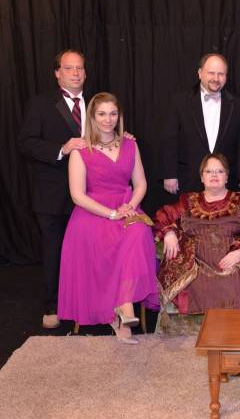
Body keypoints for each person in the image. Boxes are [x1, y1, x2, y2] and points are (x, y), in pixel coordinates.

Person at [57, 92, 159, 344]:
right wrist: (112, 214)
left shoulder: (130, 144)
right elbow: (77, 195)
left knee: (138, 232)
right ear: (92, 116)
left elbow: (141, 183)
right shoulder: (81, 149)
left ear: (119, 116)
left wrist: (130, 207)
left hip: (126, 206)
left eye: (113, 113)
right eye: (101, 113)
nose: (108, 119)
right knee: (101, 240)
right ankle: (123, 312)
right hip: (93, 212)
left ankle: (123, 308)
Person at [154, 153, 240, 332]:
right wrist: (168, 234)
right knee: (196, 282)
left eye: (219, 171)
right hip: (196, 262)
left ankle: (234, 334)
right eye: (209, 171)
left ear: (227, 176)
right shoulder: (187, 200)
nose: (214, 175)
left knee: (233, 278)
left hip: (230, 260)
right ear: (201, 176)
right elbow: (163, 215)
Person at [19, 49, 89, 329]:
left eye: (80, 68)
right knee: (53, 250)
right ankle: (52, 305)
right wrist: (62, 148)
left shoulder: (96, 103)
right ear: (57, 73)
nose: (75, 73)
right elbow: (26, 143)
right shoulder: (40, 104)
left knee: (88, 250)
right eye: (69, 68)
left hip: (91, 193)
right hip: (52, 195)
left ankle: (87, 301)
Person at [160, 53, 240, 197]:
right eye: (211, 73)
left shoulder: (239, 105)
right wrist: (169, 174)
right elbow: (169, 140)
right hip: (187, 180)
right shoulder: (179, 102)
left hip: (225, 182)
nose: (216, 79)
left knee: (223, 220)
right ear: (200, 73)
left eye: (221, 74)